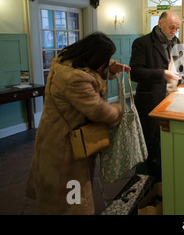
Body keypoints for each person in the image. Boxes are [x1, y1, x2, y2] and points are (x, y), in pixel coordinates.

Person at [26, 32, 130, 215]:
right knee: (71, 199)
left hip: (54, 137)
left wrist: (112, 68)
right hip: (65, 149)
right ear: (95, 57)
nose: (107, 62)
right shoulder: (74, 80)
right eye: (106, 59)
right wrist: (120, 110)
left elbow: (90, 69)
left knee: (63, 195)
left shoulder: (65, 62)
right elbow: (98, 111)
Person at [129, 11, 184, 182]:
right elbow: (136, 73)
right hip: (151, 99)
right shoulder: (142, 43)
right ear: (160, 23)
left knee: (167, 139)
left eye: (177, 28)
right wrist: (161, 74)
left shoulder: (176, 42)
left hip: (172, 95)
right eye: (171, 27)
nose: (174, 31)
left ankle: (165, 175)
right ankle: (151, 182)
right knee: (151, 142)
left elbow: (178, 66)